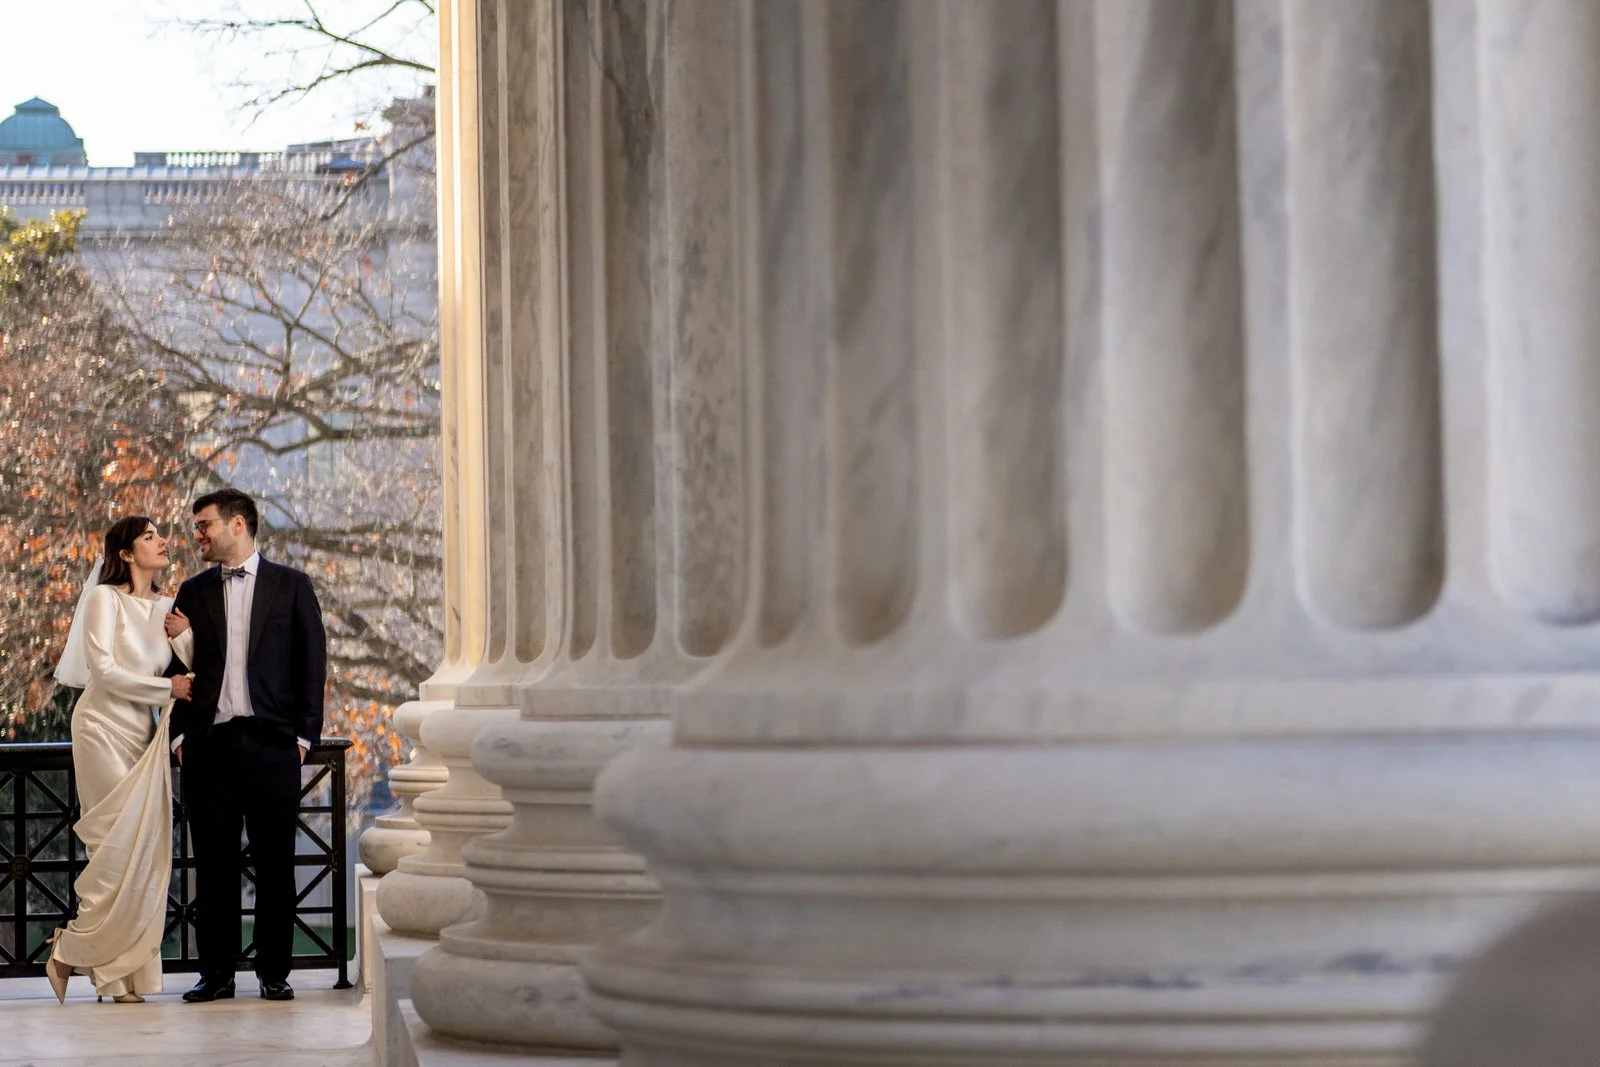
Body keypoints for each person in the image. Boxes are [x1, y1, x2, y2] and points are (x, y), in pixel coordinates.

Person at [165, 487, 327, 1003]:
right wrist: (178, 739)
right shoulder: (191, 591)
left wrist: (303, 738)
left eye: (204, 525)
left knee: (276, 863)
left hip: (272, 747)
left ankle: (273, 972)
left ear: (238, 525)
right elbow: (172, 665)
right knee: (212, 866)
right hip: (208, 747)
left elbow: (311, 666)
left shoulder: (292, 585)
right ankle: (216, 975)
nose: (198, 535)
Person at [47, 516, 195, 1005]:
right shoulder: (103, 599)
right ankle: (101, 970)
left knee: (143, 854)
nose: (162, 542)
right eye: (150, 537)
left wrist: (187, 634)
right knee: (112, 851)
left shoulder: (169, 607)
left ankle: (91, 960)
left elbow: (191, 670)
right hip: (100, 728)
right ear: (127, 553)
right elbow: (105, 672)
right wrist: (165, 687)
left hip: (144, 736)